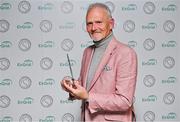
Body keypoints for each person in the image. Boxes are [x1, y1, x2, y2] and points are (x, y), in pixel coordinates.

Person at [61, 2, 137, 122]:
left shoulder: (125, 53)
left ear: (111, 24)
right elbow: (86, 87)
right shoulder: (87, 52)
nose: (93, 28)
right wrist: (72, 88)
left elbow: (124, 101)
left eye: (98, 22)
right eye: (89, 23)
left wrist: (88, 96)